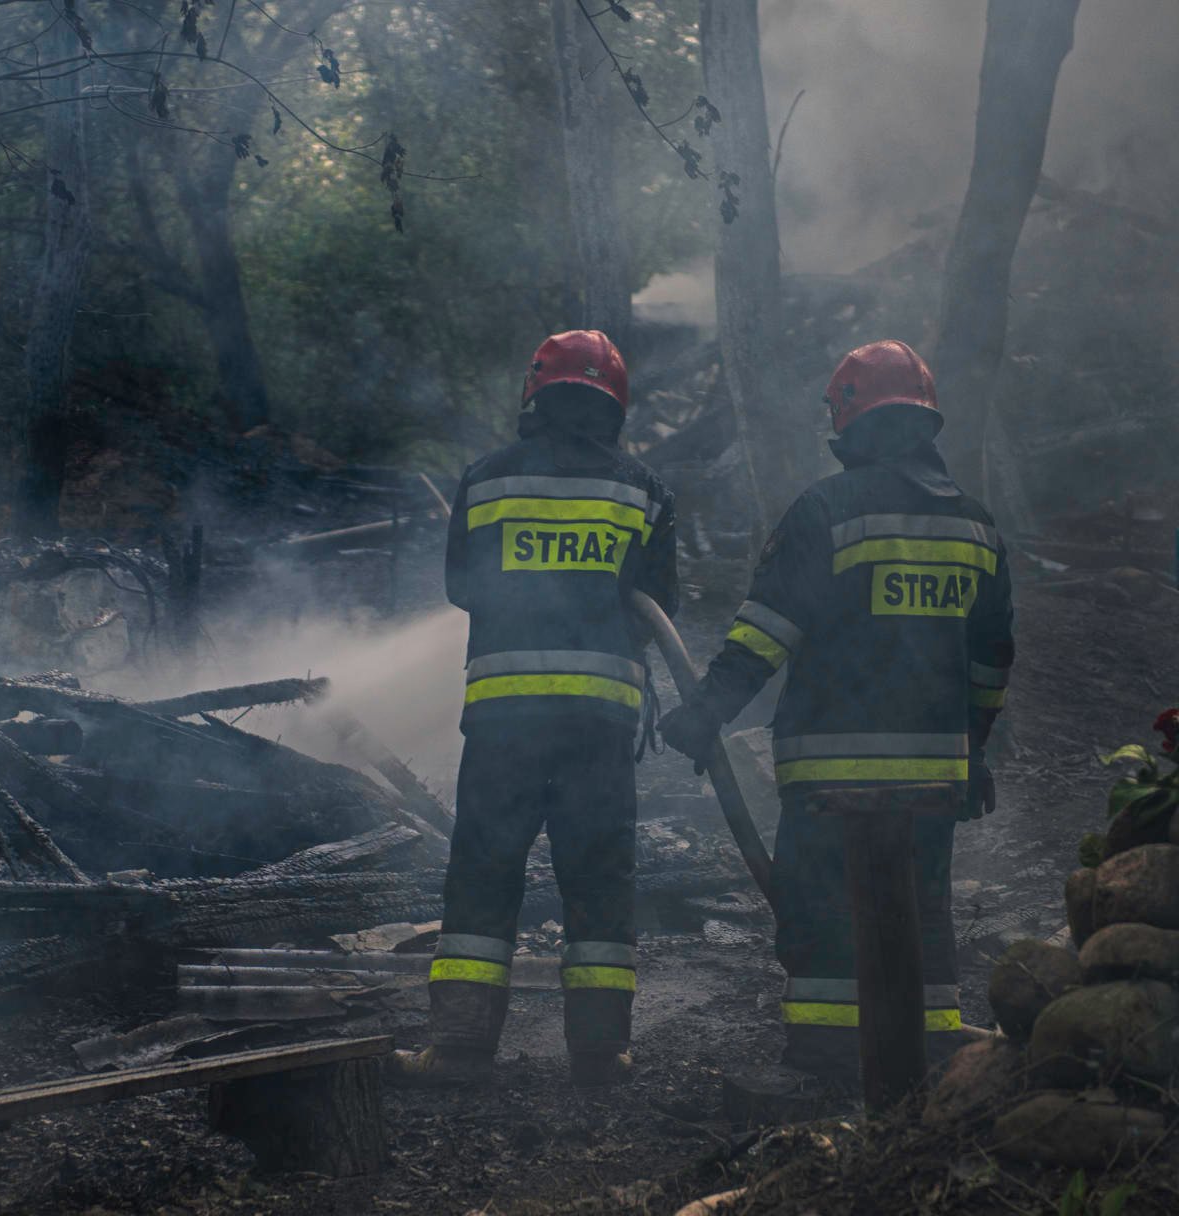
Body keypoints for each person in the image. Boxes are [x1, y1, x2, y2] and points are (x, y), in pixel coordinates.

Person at [657, 340, 1014, 1080]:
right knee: (923, 907)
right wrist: (972, 751)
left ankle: (826, 1052)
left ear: (849, 421)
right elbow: (990, 664)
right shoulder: (976, 526)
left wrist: (706, 710)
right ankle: (929, 1048)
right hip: (935, 771)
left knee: (822, 906)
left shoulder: (826, 509)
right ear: (925, 423)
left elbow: (765, 633)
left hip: (833, 771)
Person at [389, 329, 679, 1088]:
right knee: (599, 876)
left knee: (484, 870)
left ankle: (459, 1048)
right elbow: (660, 604)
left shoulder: (488, 479)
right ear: (614, 402)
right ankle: (602, 1051)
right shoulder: (643, 489)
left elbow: (462, 586)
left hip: (505, 720)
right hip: (600, 723)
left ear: (535, 393)